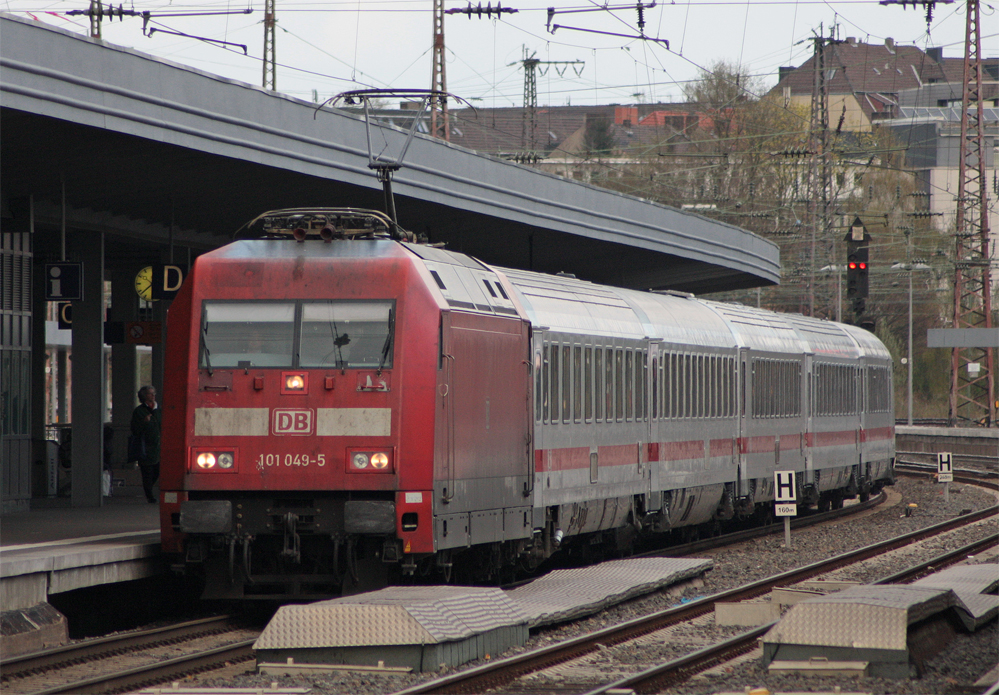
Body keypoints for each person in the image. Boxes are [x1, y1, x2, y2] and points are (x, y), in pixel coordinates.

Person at [131, 385, 161, 503]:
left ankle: (149, 489)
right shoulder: (139, 411)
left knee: (157, 471)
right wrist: (144, 423)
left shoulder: (159, 410)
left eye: (154, 393)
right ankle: (149, 495)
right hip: (145, 448)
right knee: (147, 473)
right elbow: (135, 430)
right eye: (150, 393)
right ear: (144, 396)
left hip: (158, 447)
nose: (153, 395)